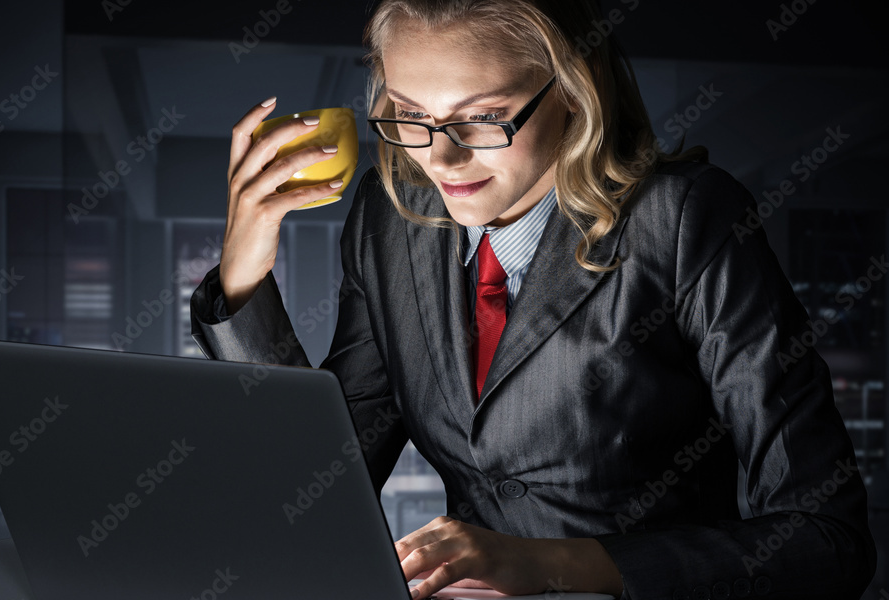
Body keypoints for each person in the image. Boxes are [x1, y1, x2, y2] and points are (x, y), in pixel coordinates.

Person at [189, 0, 876, 598]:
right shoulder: (390, 218)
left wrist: (553, 566)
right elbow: (316, 492)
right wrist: (244, 273)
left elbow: (826, 542)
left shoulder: (687, 221)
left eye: (483, 118)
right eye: (409, 115)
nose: (441, 161)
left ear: (577, 89)